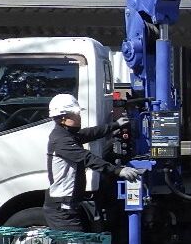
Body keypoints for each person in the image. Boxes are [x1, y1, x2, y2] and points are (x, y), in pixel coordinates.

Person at [44, 93, 140, 232]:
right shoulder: (61, 140)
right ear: (64, 118)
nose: (79, 117)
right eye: (76, 114)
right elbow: (88, 158)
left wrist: (115, 125)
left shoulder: (67, 135)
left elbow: (90, 133)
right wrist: (118, 170)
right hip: (62, 210)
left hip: (67, 205)